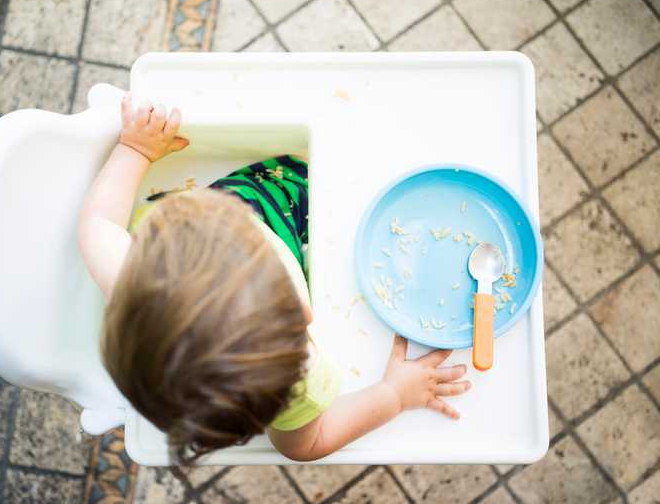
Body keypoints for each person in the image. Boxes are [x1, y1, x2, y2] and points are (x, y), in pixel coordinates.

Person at [78, 94, 471, 464]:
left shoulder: (134, 281)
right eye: (292, 330)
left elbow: (98, 222)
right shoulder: (293, 382)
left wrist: (135, 151)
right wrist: (394, 395)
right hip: (261, 228)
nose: (307, 314)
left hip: (219, 214)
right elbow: (308, 444)